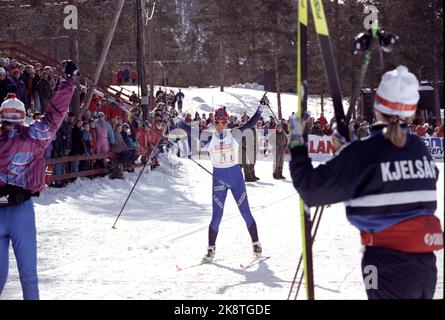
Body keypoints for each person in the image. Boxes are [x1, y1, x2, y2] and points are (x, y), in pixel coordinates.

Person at [288, 65, 443, 299]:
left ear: (378, 107)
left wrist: (297, 143)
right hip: (425, 266)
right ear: (412, 112)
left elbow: (311, 189)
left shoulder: (365, 153)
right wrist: (350, 152)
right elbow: (404, 174)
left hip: (382, 262)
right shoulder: (419, 148)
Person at [0, 60, 77, 300]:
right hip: (21, 211)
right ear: (23, 118)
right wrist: (68, 83)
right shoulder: (34, 136)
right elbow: (54, 115)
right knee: (28, 275)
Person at [177, 99, 268, 262]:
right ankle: (211, 249)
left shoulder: (234, 134)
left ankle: (256, 244)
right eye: (217, 122)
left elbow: (251, 123)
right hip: (219, 180)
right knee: (217, 217)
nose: (220, 124)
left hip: (236, 179)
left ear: (226, 122)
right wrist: (176, 119)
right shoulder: (208, 137)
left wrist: (261, 107)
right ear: (213, 122)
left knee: (245, 212)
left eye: (222, 121)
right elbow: (187, 129)